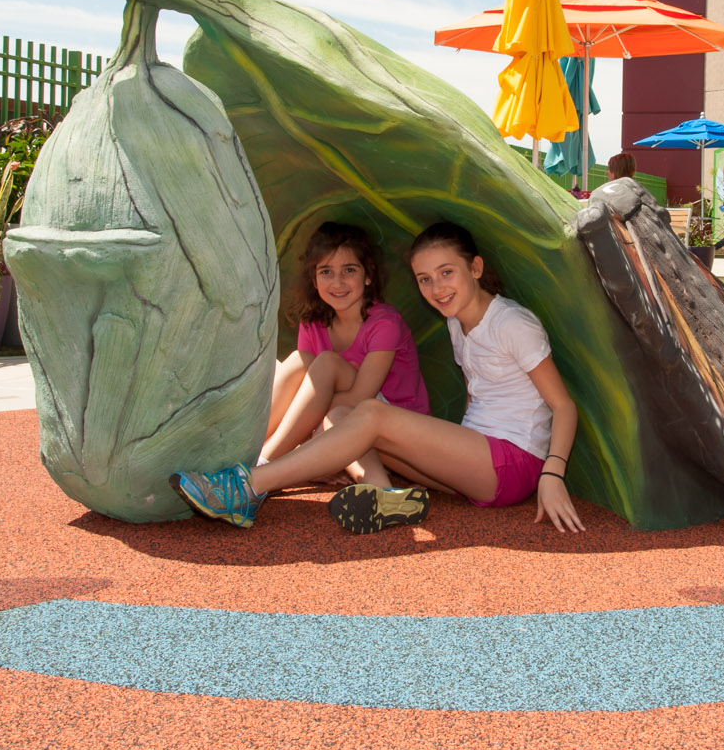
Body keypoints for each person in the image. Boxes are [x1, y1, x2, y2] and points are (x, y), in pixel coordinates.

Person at [172, 221, 587, 536]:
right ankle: (385, 496)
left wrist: (552, 475)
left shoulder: (512, 323)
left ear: (475, 267)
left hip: (512, 464)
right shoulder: (457, 322)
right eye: (425, 279)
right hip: (473, 465)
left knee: (368, 413)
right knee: (344, 414)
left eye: (447, 273)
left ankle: (250, 486)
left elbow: (563, 406)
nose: (436, 288)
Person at [259, 224, 428, 497]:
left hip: (393, 426)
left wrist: (312, 441)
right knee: (299, 361)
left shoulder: (384, 322)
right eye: (326, 272)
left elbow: (361, 396)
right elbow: (310, 395)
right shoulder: (312, 323)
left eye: (349, 270)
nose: (337, 282)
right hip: (339, 426)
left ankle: (262, 467)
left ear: (368, 276)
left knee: (325, 363)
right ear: (314, 280)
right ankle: (250, 456)